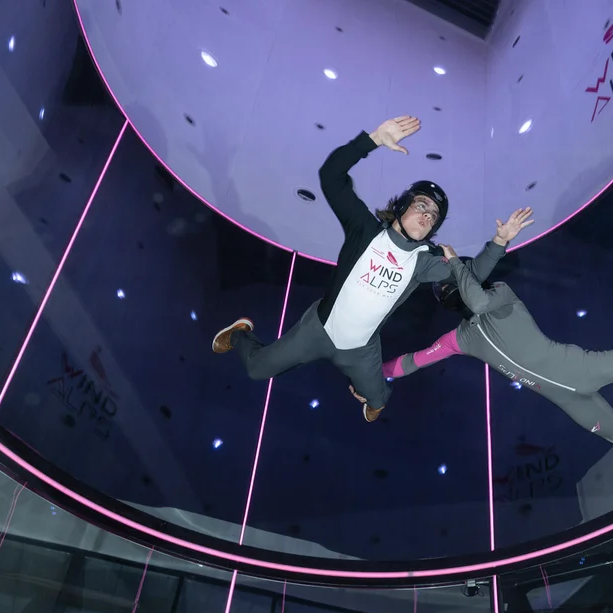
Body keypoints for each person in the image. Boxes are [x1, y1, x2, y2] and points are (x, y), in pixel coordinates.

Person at [212, 116, 529, 422]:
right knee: (256, 370)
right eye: (422, 205)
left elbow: (469, 276)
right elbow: (331, 175)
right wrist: (373, 140)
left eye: (434, 215)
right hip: (317, 331)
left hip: (361, 351)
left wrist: (499, 242)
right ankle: (241, 333)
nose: (427, 216)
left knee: (378, 402)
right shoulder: (365, 229)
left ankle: (372, 398)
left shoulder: (423, 261)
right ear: (403, 205)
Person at [384, 252, 613, 444]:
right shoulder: (458, 339)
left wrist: (455, 263)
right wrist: (368, 374)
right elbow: (411, 362)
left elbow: (478, 303)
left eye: (455, 282)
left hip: (586, 369)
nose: (454, 291)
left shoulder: (501, 297)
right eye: (447, 290)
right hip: (568, 400)